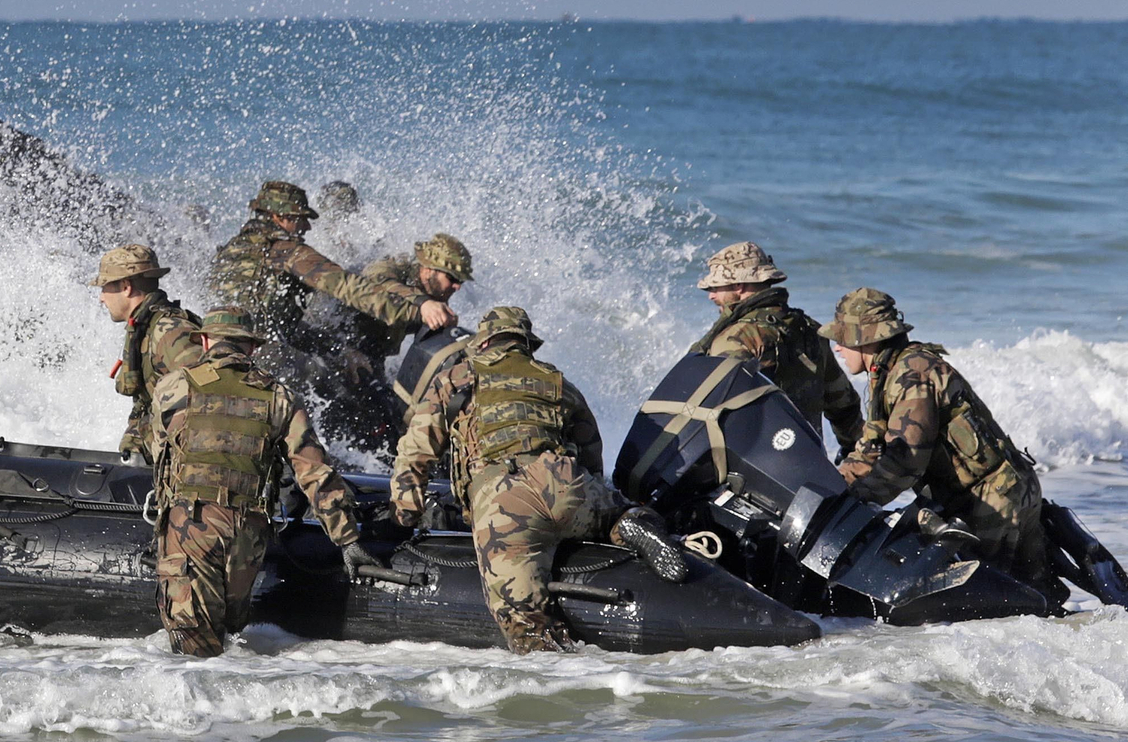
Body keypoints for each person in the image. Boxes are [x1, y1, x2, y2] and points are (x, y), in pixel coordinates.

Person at [390, 306, 685, 653]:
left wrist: (404, 515)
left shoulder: (456, 378)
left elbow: (415, 453)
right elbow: (591, 456)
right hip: (566, 485)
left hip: (507, 503)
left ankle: (561, 677)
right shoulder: (557, 381)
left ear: (482, 343)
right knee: (617, 511)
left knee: (526, 625)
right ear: (526, 343)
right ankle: (629, 524)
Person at [147, 306, 381, 656]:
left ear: (206, 340)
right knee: (227, 636)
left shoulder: (173, 386)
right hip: (246, 537)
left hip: (189, 528)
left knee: (194, 648)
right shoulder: (279, 396)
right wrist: (347, 539)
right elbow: (314, 471)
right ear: (251, 348)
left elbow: (158, 453)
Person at [819, 287, 1054, 594]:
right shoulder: (888, 374)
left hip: (993, 501)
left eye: (842, 338)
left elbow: (905, 462)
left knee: (999, 605)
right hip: (1001, 491)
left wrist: (855, 502)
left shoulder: (912, 375)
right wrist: (831, 489)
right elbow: (871, 450)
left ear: (866, 338)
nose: (837, 348)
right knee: (1036, 601)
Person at [207, 181, 456, 380]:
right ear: (277, 217)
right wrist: (420, 308)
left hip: (216, 353)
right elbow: (347, 286)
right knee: (339, 388)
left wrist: (337, 349)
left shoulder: (232, 251)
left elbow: (283, 325)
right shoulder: (284, 251)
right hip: (261, 356)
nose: (306, 226)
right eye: (299, 217)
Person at [691, 241, 863, 455]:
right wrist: (855, 452)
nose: (711, 295)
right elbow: (843, 403)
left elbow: (713, 411)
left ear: (738, 285)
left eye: (716, 287)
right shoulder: (808, 330)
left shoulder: (736, 338)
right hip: (807, 464)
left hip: (754, 470)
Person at [90, 244, 203, 463]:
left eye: (105, 287)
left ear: (126, 286)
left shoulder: (170, 333)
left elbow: (207, 399)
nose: (101, 298)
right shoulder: (144, 328)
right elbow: (147, 405)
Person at [350, 232, 474, 363]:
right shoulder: (393, 265)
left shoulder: (436, 295)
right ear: (428, 270)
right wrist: (423, 303)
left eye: (461, 281)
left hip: (371, 353)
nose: (457, 286)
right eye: (452, 278)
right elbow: (381, 284)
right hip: (338, 339)